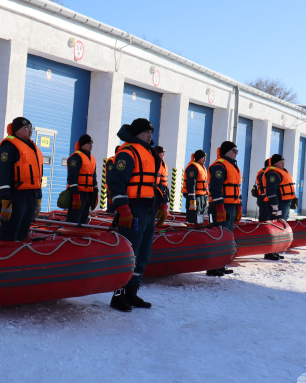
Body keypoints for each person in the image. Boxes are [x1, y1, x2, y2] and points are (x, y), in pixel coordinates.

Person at [107, 118, 168, 312]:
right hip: (133, 208)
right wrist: (123, 209)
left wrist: (162, 206)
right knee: (128, 253)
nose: (150, 136)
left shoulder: (150, 153)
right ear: (136, 134)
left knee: (143, 254)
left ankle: (132, 292)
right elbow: (117, 183)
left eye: (151, 132)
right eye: (145, 133)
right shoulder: (128, 152)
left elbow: (156, 183)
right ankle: (118, 296)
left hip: (148, 208)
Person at [0, 117, 43, 241]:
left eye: (31, 127)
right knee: (10, 231)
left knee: (23, 232)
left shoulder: (33, 148)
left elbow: (38, 176)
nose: (30, 130)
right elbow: (3, 175)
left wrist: (38, 200)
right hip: (15, 197)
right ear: (16, 131)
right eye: (26, 128)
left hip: (31, 196)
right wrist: (6, 200)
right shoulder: (9, 147)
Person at [207, 141, 242, 276]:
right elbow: (215, 188)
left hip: (231, 206)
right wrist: (220, 207)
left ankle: (221, 264)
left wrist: (239, 206)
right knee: (218, 235)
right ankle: (212, 267)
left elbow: (237, 190)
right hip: (219, 206)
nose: (236, 153)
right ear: (226, 151)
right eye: (234, 151)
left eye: (237, 151)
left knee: (228, 236)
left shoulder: (233, 166)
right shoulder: (219, 166)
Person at [65, 134, 97, 225]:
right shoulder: (76, 157)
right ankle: (70, 236)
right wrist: (75, 195)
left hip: (88, 194)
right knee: (74, 218)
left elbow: (94, 177)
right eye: (88, 143)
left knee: (84, 218)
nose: (91, 145)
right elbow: (72, 177)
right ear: (82, 144)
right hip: (78, 193)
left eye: (91, 143)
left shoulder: (92, 159)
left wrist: (95, 192)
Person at [183, 149, 208, 224]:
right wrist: (192, 200)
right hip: (195, 197)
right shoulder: (192, 168)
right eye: (203, 158)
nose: (205, 160)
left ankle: (200, 230)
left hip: (202, 197)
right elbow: (191, 185)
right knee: (193, 218)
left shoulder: (202, 168)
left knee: (200, 218)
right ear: (199, 158)